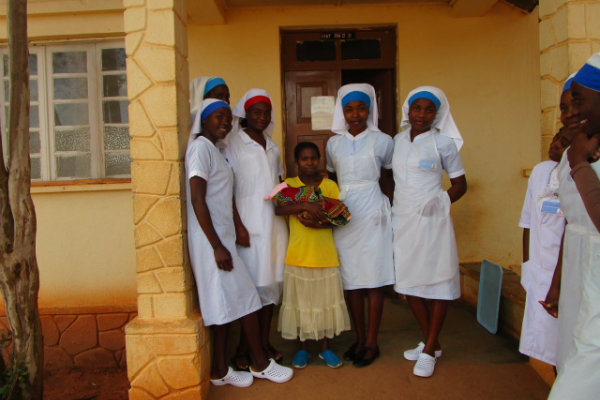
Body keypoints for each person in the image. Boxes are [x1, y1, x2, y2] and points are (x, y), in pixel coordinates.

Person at [185, 99, 293, 387]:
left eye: (227, 119)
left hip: (222, 236)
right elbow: (197, 199)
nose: (225, 123)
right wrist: (217, 245)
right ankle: (259, 363)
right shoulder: (200, 149)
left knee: (223, 306)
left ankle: (219, 370)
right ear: (204, 120)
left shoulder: (215, 150)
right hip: (213, 239)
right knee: (246, 297)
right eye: (218, 117)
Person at [392, 86, 467, 378]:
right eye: (416, 108)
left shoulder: (443, 144)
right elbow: (392, 177)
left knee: (437, 284)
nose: (421, 115)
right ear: (408, 111)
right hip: (404, 222)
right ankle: (432, 343)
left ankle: (429, 349)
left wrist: (441, 200)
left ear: (437, 114)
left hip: (434, 222)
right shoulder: (398, 141)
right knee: (410, 283)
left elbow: (461, 184)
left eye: (428, 109)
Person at [325, 83, 395, 367]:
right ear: (343, 112)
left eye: (361, 108)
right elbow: (330, 180)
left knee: (374, 279)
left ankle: (372, 341)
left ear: (369, 110)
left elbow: (390, 178)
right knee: (352, 280)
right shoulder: (333, 143)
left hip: (373, 212)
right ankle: (359, 337)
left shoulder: (383, 141)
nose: (355, 114)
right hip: (345, 213)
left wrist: (387, 208)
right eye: (349, 109)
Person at [223, 89, 288, 369]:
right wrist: (238, 225)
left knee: (271, 287)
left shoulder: (272, 146)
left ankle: (262, 343)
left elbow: (279, 183)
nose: (262, 117)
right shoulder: (233, 143)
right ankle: (244, 350)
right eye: (256, 112)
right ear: (245, 114)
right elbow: (228, 188)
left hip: (273, 224)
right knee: (251, 288)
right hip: (248, 223)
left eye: (266, 112)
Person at [548, 52, 600, 400]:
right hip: (580, 268)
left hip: (595, 266)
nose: (571, 112)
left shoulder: (581, 156)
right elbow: (571, 222)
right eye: (566, 106)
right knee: (571, 352)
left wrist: (580, 163)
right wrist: (556, 283)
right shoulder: (579, 152)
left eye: (579, 100)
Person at [274, 142, 351, 369]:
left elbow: (340, 218)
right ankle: (303, 348)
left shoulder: (329, 186)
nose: (310, 163)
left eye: (313, 158)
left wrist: (319, 224)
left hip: (324, 255)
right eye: (304, 159)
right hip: (298, 255)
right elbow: (278, 209)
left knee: (325, 303)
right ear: (297, 162)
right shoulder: (288, 185)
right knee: (302, 304)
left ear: (319, 161)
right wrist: (304, 204)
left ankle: (325, 348)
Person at [518, 127, 573, 368]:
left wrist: (557, 282)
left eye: (564, 141)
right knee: (549, 344)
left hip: (566, 273)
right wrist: (527, 264)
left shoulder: (579, 178)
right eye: (556, 136)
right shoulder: (541, 172)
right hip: (539, 271)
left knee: (567, 344)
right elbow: (527, 222)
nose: (555, 143)